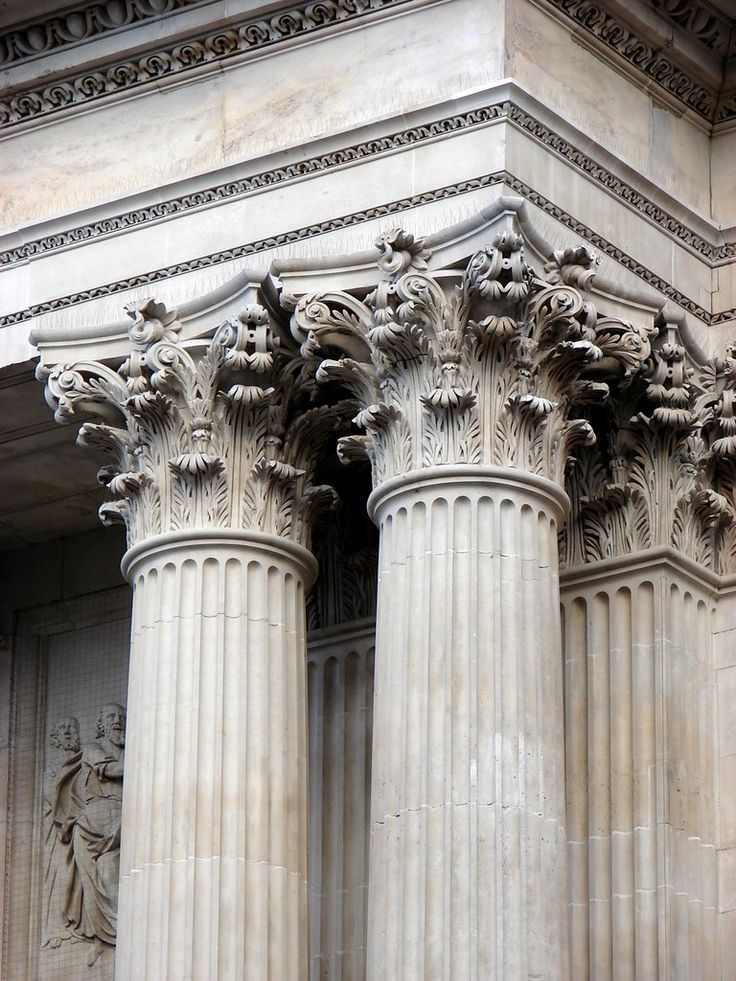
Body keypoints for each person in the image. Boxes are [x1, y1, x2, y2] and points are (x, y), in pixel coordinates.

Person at [66, 703, 126, 967]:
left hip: (121, 817)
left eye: (122, 717)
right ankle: (106, 937)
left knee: (110, 870)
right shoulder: (92, 750)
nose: (118, 721)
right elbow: (112, 771)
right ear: (101, 724)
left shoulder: (128, 749)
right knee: (99, 879)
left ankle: (119, 934)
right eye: (112, 717)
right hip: (94, 825)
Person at [42, 717, 83, 949]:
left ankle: (74, 924)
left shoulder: (81, 761)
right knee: (59, 876)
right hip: (57, 832)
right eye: (63, 728)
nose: (68, 732)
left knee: (75, 876)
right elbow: (51, 794)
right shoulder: (54, 766)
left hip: (78, 827)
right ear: (55, 736)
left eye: (72, 728)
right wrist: (66, 817)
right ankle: (56, 926)